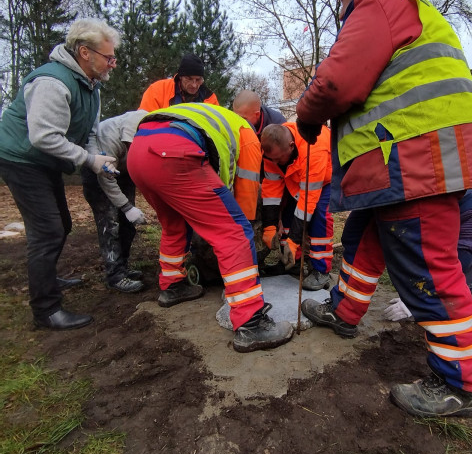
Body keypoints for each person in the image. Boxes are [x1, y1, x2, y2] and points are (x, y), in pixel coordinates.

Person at [296, 0, 472, 418]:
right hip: (405, 157)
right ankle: (344, 312)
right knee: (367, 236)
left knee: (426, 266)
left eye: (340, 8)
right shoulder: (410, 10)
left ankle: (457, 383)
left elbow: (337, 82)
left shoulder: (378, 4)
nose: (343, 18)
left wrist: (306, 116)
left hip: (415, 157)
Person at [127, 102, 294, 353]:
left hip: (139, 152)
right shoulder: (248, 136)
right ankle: (251, 322)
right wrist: (246, 231)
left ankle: (173, 286)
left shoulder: (212, 117)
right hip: (174, 153)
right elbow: (246, 194)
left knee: (174, 224)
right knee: (235, 232)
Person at [0, 18, 121, 330]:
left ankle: (47, 277)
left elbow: (89, 131)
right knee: (48, 231)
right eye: (108, 57)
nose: (113, 63)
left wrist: (98, 155)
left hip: (45, 161)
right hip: (22, 159)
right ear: (85, 52)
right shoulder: (52, 83)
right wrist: (89, 161)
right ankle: (46, 310)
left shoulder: (91, 86)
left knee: (62, 224)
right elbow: (44, 137)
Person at [383, 189, 472, 322]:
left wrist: (416, 301)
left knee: (455, 285)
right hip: (470, 254)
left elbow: (459, 262)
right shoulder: (444, 199)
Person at [82, 110, 149, 294]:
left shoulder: (151, 129)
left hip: (124, 172)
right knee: (109, 223)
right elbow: (106, 179)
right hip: (99, 173)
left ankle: (123, 267)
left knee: (128, 224)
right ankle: (115, 275)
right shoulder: (110, 137)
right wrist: (127, 207)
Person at [260, 122, 333, 291]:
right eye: (273, 159)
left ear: (291, 146)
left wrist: (294, 241)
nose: (276, 162)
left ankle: (320, 270)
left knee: (319, 218)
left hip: (324, 180)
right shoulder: (271, 151)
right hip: (296, 178)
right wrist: (270, 227)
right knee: (287, 215)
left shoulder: (313, 148)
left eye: (279, 159)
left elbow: (307, 202)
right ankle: (292, 262)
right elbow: (271, 189)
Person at [139, 53, 219, 112]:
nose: (194, 85)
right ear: (180, 76)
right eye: (189, 79)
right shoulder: (158, 90)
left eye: (198, 80)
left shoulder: (210, 98)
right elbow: (144, 120)